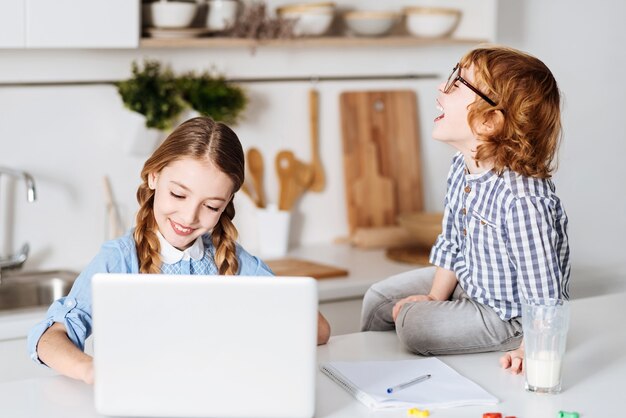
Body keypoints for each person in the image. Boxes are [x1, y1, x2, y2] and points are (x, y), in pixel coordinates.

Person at [27, 116, 331, 384]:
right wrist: (92, 371)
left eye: (211, 206)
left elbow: (318, 330)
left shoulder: (234, 262)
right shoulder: (119, 260)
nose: (189, 218)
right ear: (154, 176)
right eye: (178, 194)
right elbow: (49, 339)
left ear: (226, 205)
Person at [360, 45, 570, 374]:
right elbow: (453, 241)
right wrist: (434, 297)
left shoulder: (522, 200)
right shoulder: (462, 165)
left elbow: (544, 293)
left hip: (506, 315)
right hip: (470, 281)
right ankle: (363, 369)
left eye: (458, 84)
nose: (442, 88)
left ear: (489, 121)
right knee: (377, 299)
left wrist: (532, 348)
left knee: (413, 327)